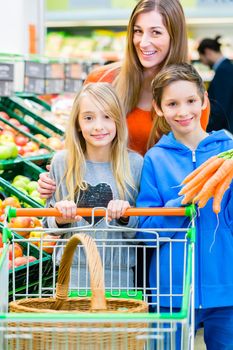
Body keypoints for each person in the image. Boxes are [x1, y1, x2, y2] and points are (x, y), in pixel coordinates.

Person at [38, 0, 210, 199]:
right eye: (138, 31)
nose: (144, 42)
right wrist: (55, 177)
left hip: (162, 211)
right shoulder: (101, 79)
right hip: (104, 208)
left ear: (175, 36)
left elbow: (190, 162)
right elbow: (77, 147)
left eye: (156, 32)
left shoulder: (189, 99)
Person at [136, 63, 233, 349]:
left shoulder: (227, 150)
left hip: (226, 286)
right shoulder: (155, 159)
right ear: (158, 107)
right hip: (172, 291)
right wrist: (182, 203)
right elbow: (145, 233)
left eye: (191, 101)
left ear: (204, 99)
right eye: (172, 103)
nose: (183, 111)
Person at [43, 82, 143, 289]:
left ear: (118, 121)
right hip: (70, 277)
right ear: (78, 123)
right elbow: (48, 227)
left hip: (120, 278)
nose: (98, 126)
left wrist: (126, 216)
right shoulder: (63, 162)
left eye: (107, 116)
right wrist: (59, 218)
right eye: (88, 118)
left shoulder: (134, 164)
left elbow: (139, 232)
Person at [198, 36, 233, 133]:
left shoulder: (224, 71)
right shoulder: (228, 67)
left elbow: (220, 107)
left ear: (207, 52)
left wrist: (205, 130)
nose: (204, 64)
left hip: (226, 131)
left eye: (202, 59)